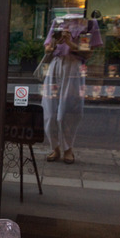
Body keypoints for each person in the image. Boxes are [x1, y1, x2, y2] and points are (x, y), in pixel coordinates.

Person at [42, 15, 103, 164]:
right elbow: (47, 50)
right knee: (49, 111)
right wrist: (55, 42)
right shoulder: (59, 20)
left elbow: (88, 53)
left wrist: (70, 43)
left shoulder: (89, 23)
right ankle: (55, 147)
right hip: (55, 64)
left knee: (69, 109)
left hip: (74, 66)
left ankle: (68, 148)